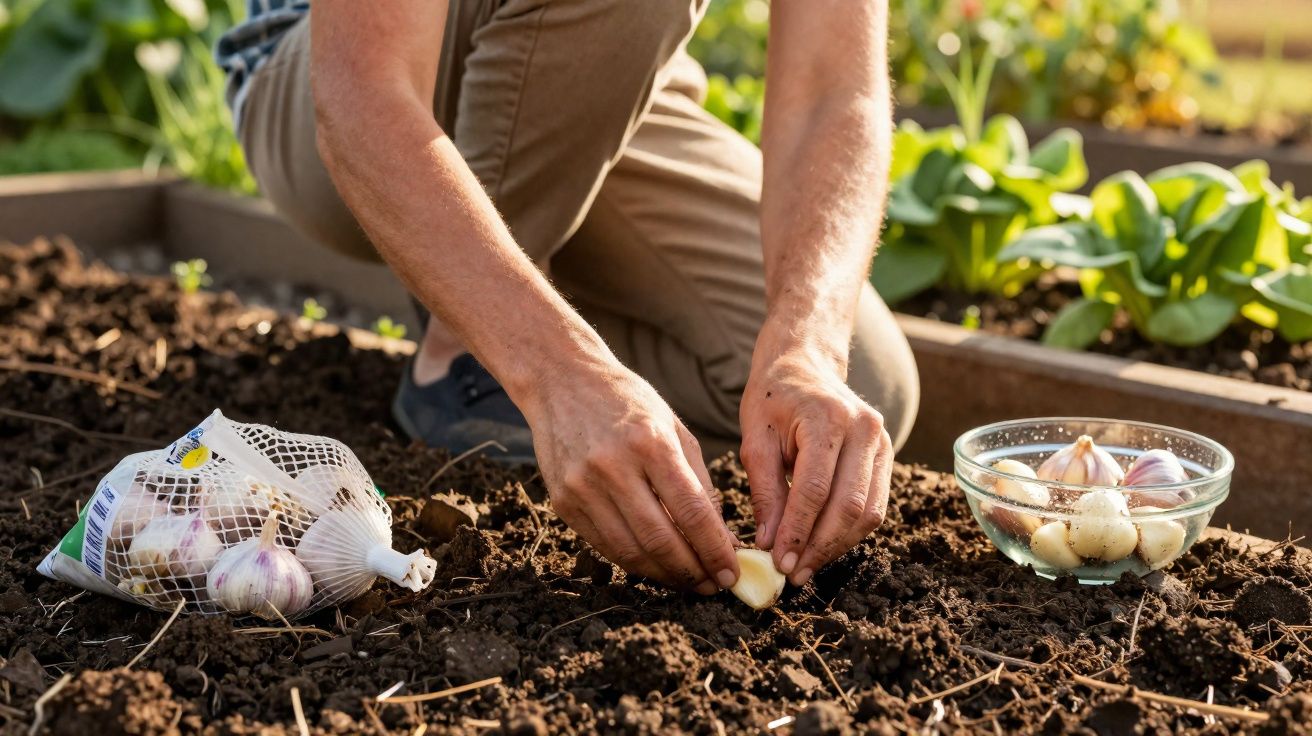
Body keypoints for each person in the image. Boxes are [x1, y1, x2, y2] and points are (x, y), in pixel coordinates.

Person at [217, 0, 918, 596]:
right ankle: (463, 354)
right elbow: (361, 91)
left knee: (867, 386)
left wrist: (806, 351)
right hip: (331, 74)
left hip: (584, 70)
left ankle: (514, 285)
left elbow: (836, 88)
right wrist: (559, 375)